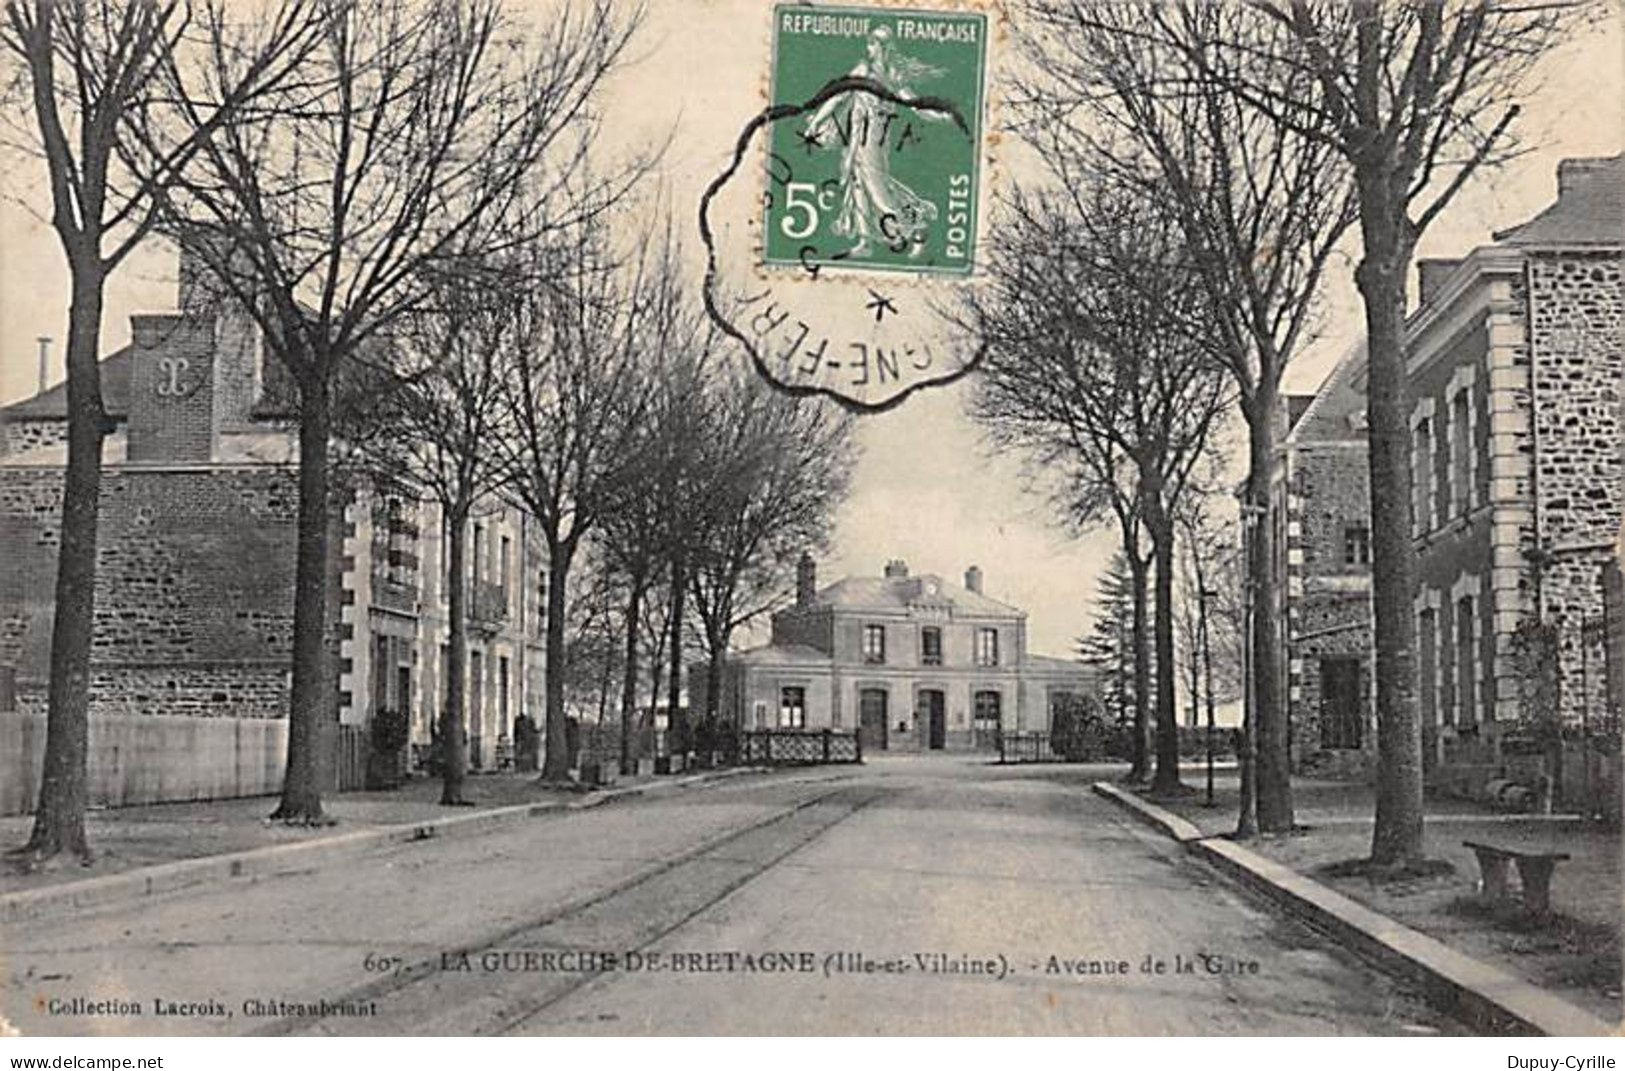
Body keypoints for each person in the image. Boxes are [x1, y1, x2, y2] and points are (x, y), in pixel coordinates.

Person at [803, 26, 945, 258]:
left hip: (875, 137)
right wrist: (816, 122)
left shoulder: (892, 76)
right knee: (858, 181)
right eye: (868, 43)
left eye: (872, 43)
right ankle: (865, 241)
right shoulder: (863, 70)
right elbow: (839, 97)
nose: (869, 48)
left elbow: (913, 102)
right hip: (858, 135)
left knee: (878, 188)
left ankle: (917, 227)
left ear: (883, 47)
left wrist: (935, 115)